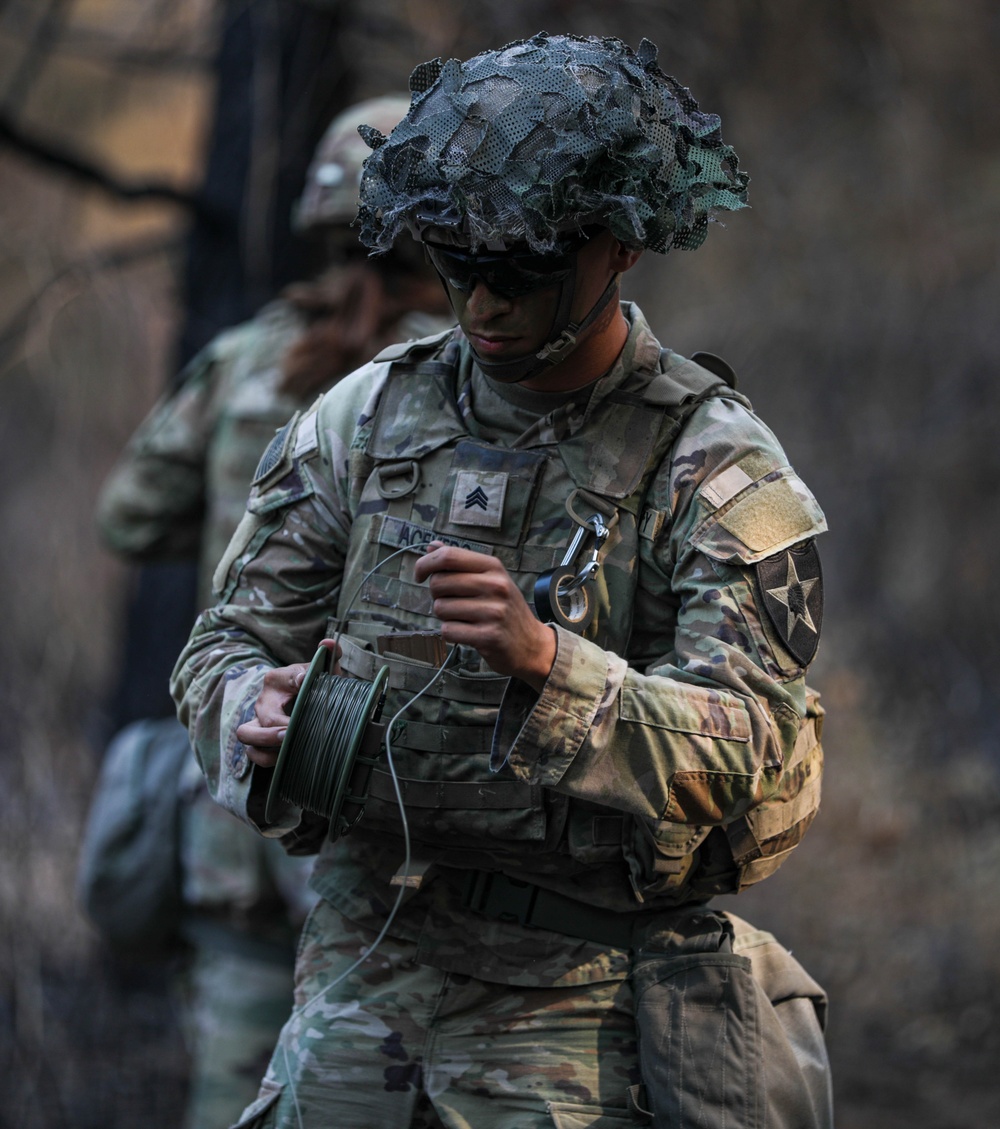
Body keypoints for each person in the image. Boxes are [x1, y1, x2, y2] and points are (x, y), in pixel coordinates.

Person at [173, 34, 833, 1129]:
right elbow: (221, 644)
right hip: (360, 988)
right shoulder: (364, 417)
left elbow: (760, 752)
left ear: (615, 247)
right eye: (458, 266)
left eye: (519, 270)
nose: (481, 305)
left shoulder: (711, 465)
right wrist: (251, 708)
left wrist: (551, 666)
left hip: (576, 1013)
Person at [93, 95, 451, 1129]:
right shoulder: (464, 381)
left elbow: (128, 518)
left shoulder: (246, 360)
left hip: (232, 800)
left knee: (235, 1077)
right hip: (374, 814)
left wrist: (223, 524)